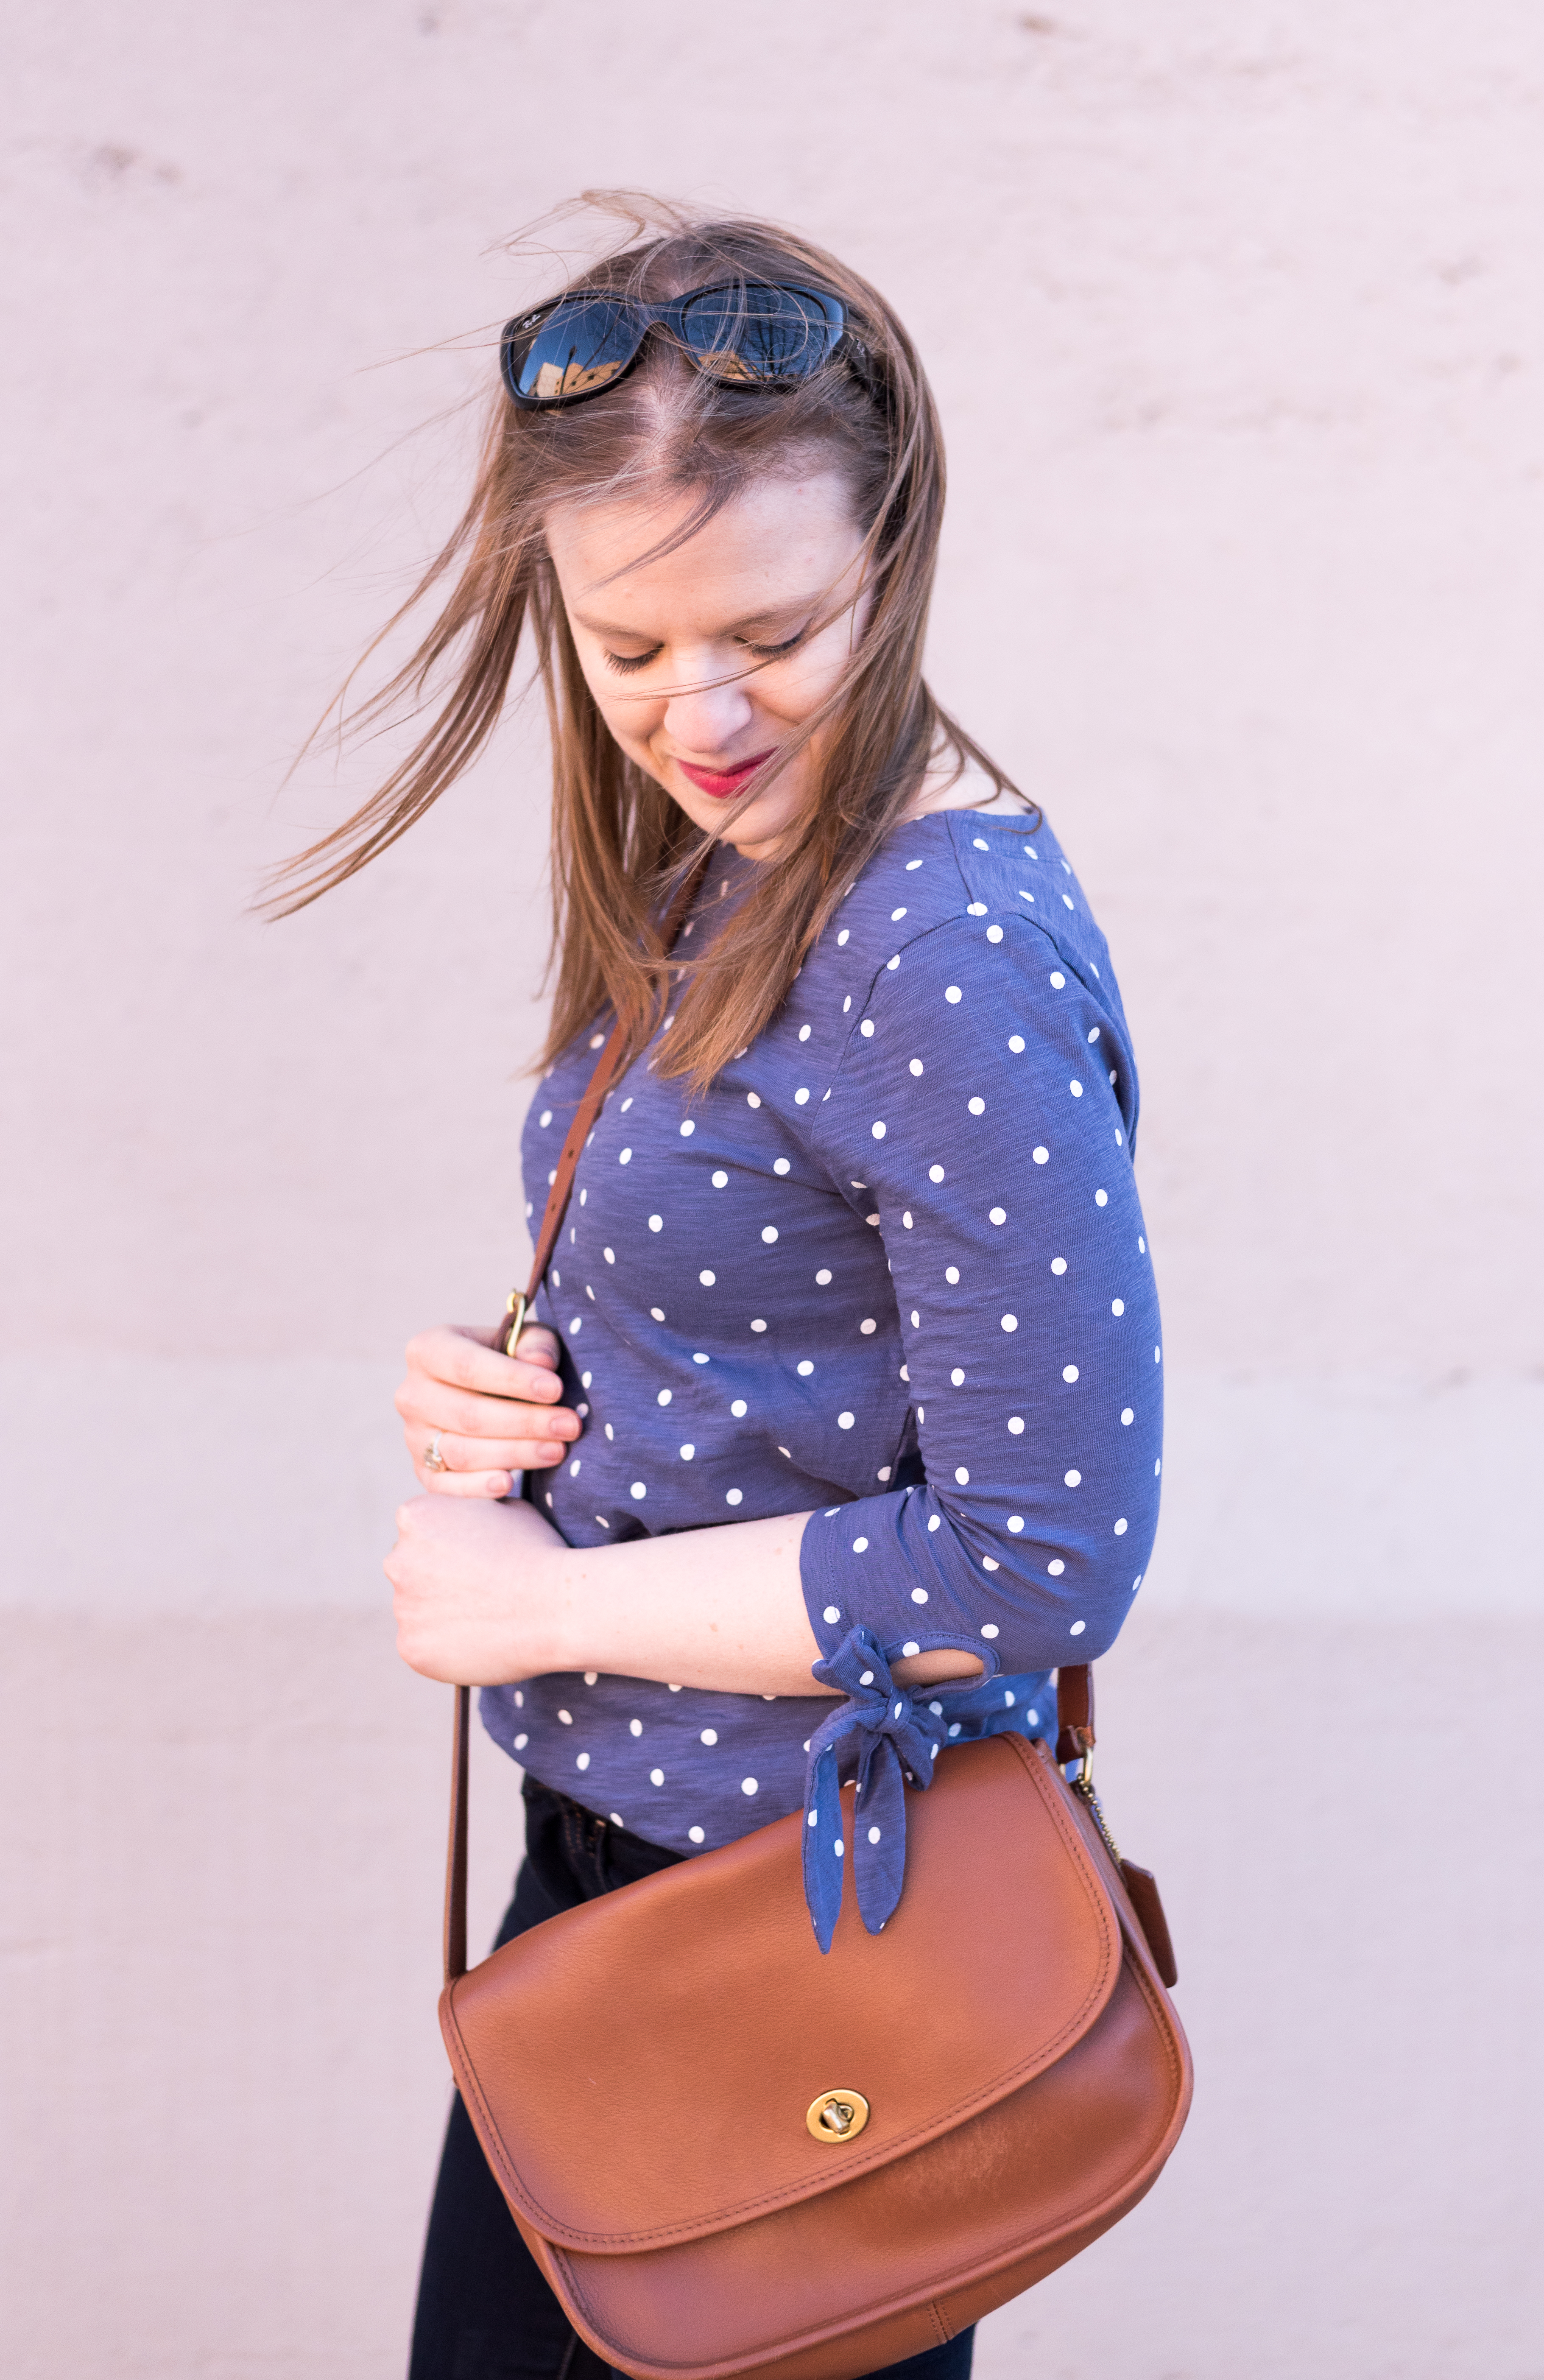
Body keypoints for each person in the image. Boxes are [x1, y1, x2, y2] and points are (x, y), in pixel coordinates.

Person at [276, 201, 1163, 2380]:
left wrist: (545, 1608)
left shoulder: (937, 955)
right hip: (623, 1898)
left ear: (899, 546)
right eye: (627, 647)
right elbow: (774, 1313)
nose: (702, 706)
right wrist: (523, 1405)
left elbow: (1039, 1553)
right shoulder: (720, 859)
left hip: (818, 1945)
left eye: (773, 628)